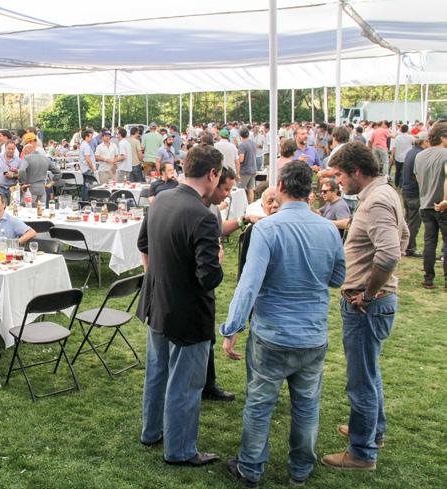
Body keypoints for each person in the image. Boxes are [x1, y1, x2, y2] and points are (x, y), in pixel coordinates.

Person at [222, 161, 346, 487]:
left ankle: (251, 468)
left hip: (272, 336)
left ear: (280, 187)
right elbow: (338, 277)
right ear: (310, 190)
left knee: (260, 404)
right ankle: (300, 470)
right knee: (306, 406)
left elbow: (248, 284)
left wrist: (232, 328)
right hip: (311, 335)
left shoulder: (267, 229)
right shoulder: (328, 229)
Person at [321, 142, 408, 471]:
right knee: (368, 373)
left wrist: (369, 292)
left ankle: (361, 452)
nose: (338, 181)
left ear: (356, 171)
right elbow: (403, 235)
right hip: (370, 301)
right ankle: (372, 431)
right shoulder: (383, 193)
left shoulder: (377, 200)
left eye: (340, 175)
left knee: (360, 380)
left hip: (365, 305)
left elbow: (390, 253)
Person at [137, 145, 224, 466]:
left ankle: (152, 431)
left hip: (157, 303)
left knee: (157, 372)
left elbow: (143, 245)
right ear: (212, 174)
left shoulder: (160, 199)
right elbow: (208, 277)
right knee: (185, 384)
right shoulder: (203, 216)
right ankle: (180, 449)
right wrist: (218, 259)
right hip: (186, 313)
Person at [199, 166, 238, 402]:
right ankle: (200, 385)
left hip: (209, 278)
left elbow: (218, 231)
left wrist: (242, 221)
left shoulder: (213, 208)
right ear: (213, 182)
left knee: (208, 332)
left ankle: (208, 384)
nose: (227, 195)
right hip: (198, 279)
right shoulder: (195, 209)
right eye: (225, 189)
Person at [413, 121, 447, 289]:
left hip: (425, 204)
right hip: (443, 205)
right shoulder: (445, 154)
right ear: (443, 137)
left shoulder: (420, 156)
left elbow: (417, 177)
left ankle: (428, 279)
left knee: (429, 243)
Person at [401, 131, 429, 257]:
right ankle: (409, 248)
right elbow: (420, 175)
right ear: (425, 141)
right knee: (414, 223)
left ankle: (406, 246)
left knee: (408, 222)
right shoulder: (420, 155)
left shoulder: (411, 152)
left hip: (406, 191)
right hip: (414, 193)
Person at [19, 133, 60, 205]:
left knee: (27, 209)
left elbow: (22, 170)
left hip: (30, 189)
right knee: (41, 209)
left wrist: (22, 183)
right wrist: (50, 184)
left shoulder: (26, 158)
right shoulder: (45, 158)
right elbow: (58, 173)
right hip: (42, 189)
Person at [237, 127, 258, 203]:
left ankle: (240, 206)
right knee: (250, 189)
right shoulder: (253, 143)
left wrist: (236, 159)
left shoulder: (242, 145)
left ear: (240, 135)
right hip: (253, 169)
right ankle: (251, 205)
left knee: (239, 190)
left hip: (245, 171)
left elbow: (241, 159)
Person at [78, 130, 98, 200]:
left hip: (84, 168)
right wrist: (92, 168)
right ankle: (86, 201)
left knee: (85, 186)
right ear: (86, 137)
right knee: (88, 187)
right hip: (88, 169)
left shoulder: (83, 144)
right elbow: (88, 159)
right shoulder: (86, 146)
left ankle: (84, 200)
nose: (92, 138)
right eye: (91, 137)